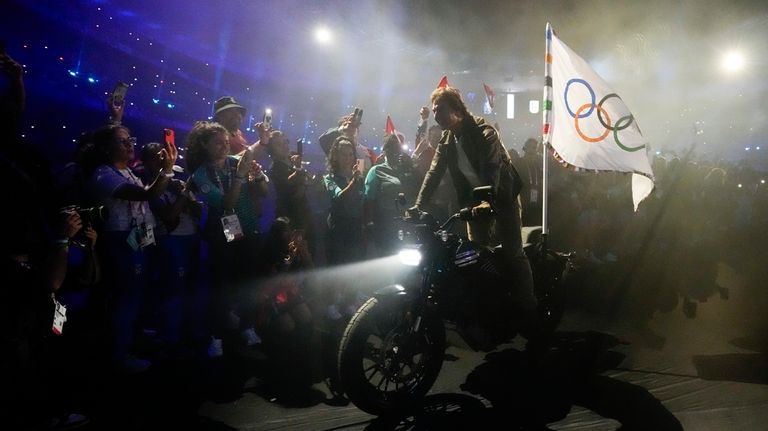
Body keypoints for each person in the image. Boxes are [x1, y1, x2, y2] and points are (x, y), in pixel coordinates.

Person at [411, 86, 539, 347]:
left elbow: (492, 166)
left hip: (501, 197)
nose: (437, 116)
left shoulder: (484, 131)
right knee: (474, 255)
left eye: (441, 110)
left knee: (514, 252)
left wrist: (487, 199)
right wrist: (418, 205)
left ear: (456, 109)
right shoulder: (447, 140)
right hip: (474, 201)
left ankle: (529, 309)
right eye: (434, 111)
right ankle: (487, 308)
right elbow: (434, 173)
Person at [364, 133, 418, 257]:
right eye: (393, 148)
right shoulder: (376, 170)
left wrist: (412, 167)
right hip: (386, 224)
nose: (397, 152)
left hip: (407, 222)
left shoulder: (407, 169)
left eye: (399, 148)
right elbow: (368, 199)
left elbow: (418, 188)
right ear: (385, 151)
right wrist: (369, 224)